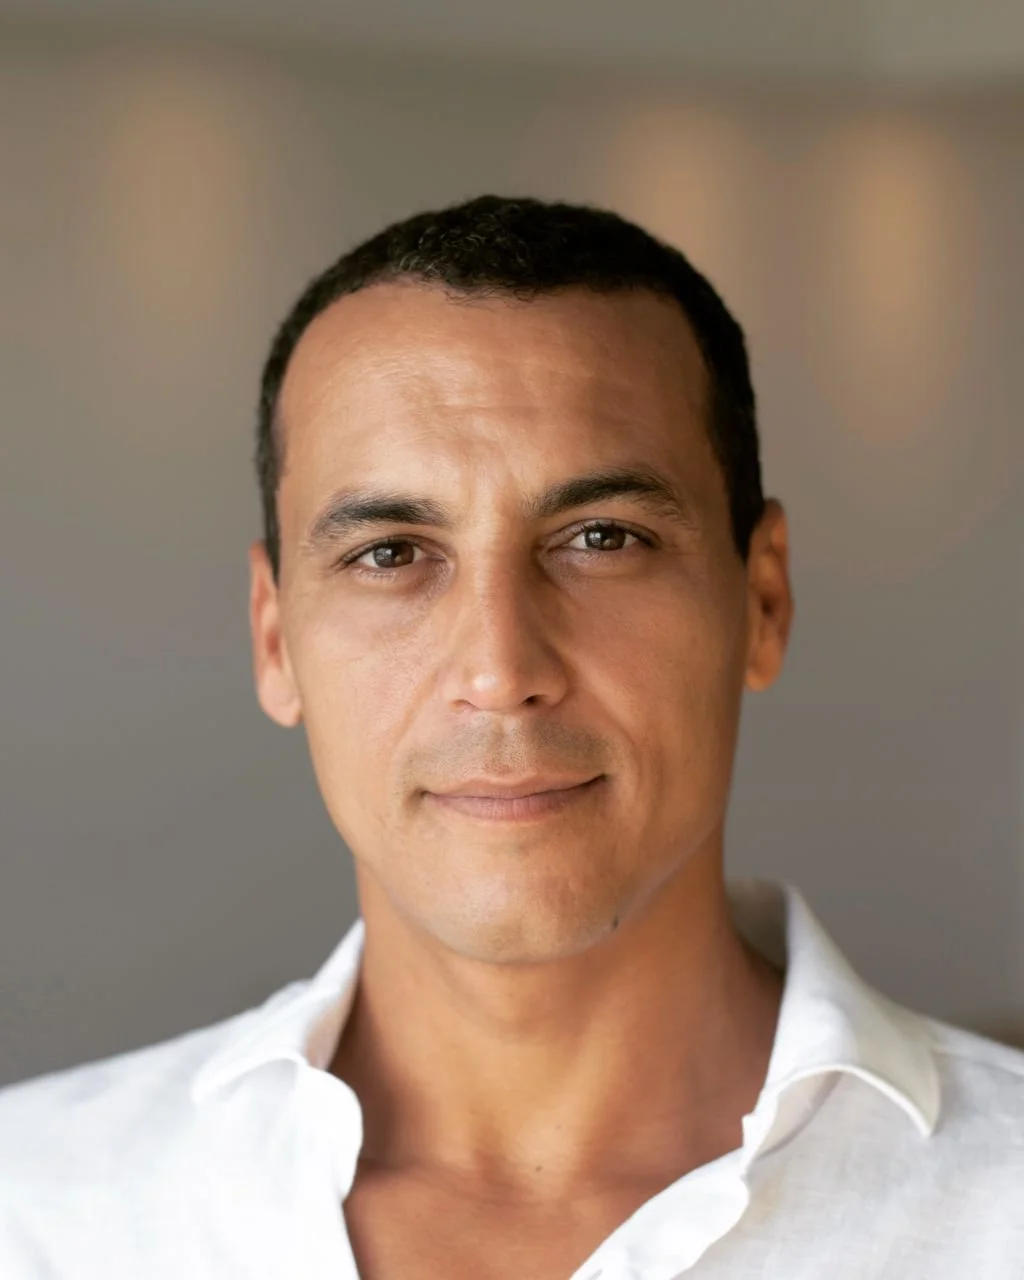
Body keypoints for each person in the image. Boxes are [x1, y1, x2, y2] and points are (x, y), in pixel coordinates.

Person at [1, 195, 1021, 1279]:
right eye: (392, 553)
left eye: (601, 537)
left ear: (761, 598)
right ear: (274, 637)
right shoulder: (38, 1204)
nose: (499, 669)